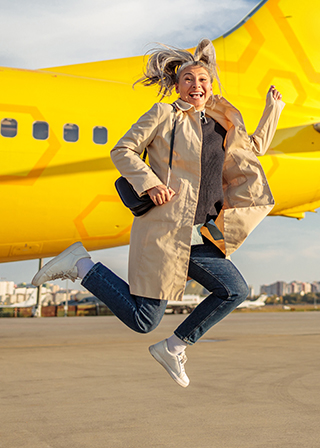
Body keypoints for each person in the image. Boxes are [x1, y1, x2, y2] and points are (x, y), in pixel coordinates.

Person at [32, 39, 283, 387]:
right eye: (189, 80)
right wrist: (149, 182)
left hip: (203, 232)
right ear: (177, 86)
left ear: (212, 86)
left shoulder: (222, 125)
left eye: (203, 80)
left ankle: (174, 346)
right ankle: (82, 266)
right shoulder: (163, 115)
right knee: (144, 319)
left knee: (232, 290)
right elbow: (123, 150)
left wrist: (274, 110)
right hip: (167, 229)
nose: (197, 86)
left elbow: (250, 151)